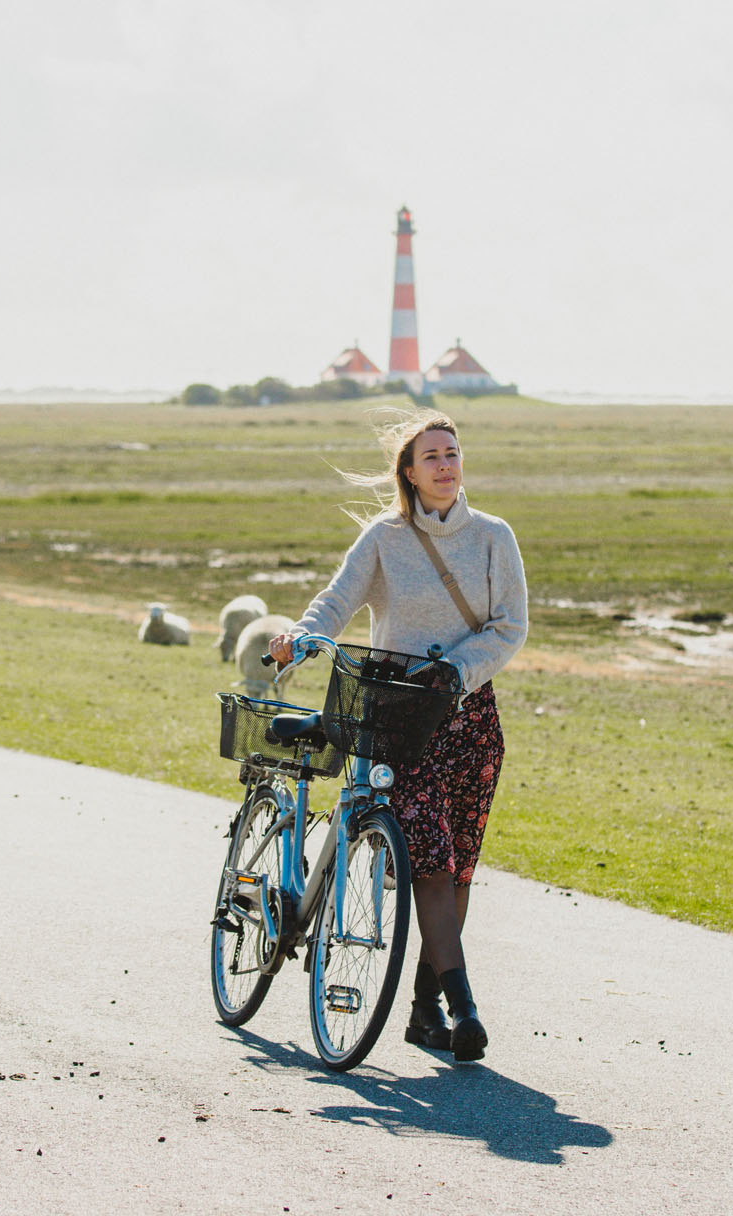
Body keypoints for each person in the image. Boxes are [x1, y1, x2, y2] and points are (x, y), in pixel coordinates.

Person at [270, 409, 528, 1062]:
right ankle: (466, 1010)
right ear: (409, 473)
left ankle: (424, 1009)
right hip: (396, 715)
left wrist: (457, 672)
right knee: (432, 865)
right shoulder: (384, 538)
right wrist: (302, 638)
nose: (446, 465)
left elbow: (509, 627)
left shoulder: (495, 537)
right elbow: (336, 600)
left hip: (469, 716)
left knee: (461, 867)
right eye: (432, 457)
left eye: (454, 452)